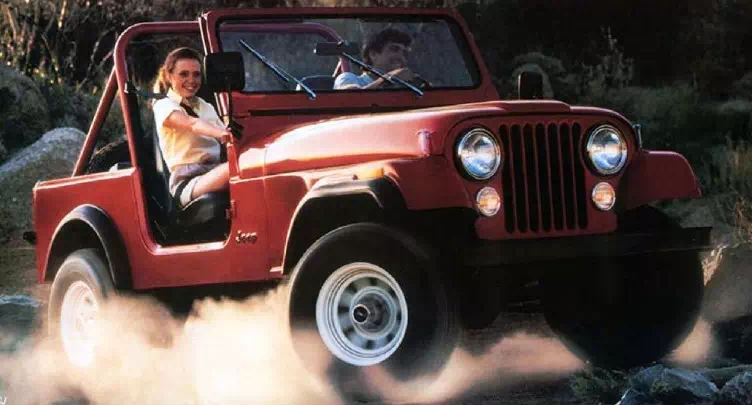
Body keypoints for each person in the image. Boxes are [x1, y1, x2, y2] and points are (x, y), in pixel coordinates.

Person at [152, 47, 233, 208]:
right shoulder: (164, 105)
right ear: (169, 76)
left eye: (196, 74)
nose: (191, 80)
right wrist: (223, 133)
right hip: (187, 180)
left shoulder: (205, 106)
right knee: (236, 171)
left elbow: (229, 135)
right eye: (184, 74)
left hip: (214, 169)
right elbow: (192, 123)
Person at [334, 28, 417, 90]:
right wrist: (390, 78)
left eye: (405, 53)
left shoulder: (409, 90)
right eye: (394, 49)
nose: (401, 57)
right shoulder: (348, 78)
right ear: (373, 54)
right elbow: (349, 99)